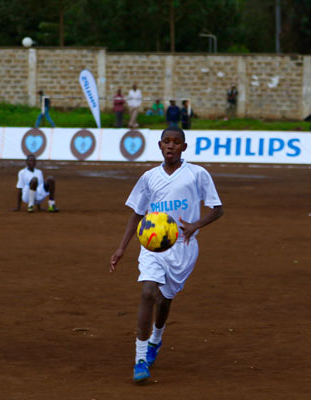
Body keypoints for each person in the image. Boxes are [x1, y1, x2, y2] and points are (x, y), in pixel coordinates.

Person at [109, 126, 224, 382]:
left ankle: (156, 339)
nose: (170, 146)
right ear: (160, 146)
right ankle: (140, 359)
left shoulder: (197, 174)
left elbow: (218, 209)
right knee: (148, 292)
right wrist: (122, 247)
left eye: (176, 142)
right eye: (166, 142)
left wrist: (196, 225)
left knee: (164, 300)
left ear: (184, 147)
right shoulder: (149, 177)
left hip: (183, 247)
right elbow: (138, 213)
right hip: (151, 245)